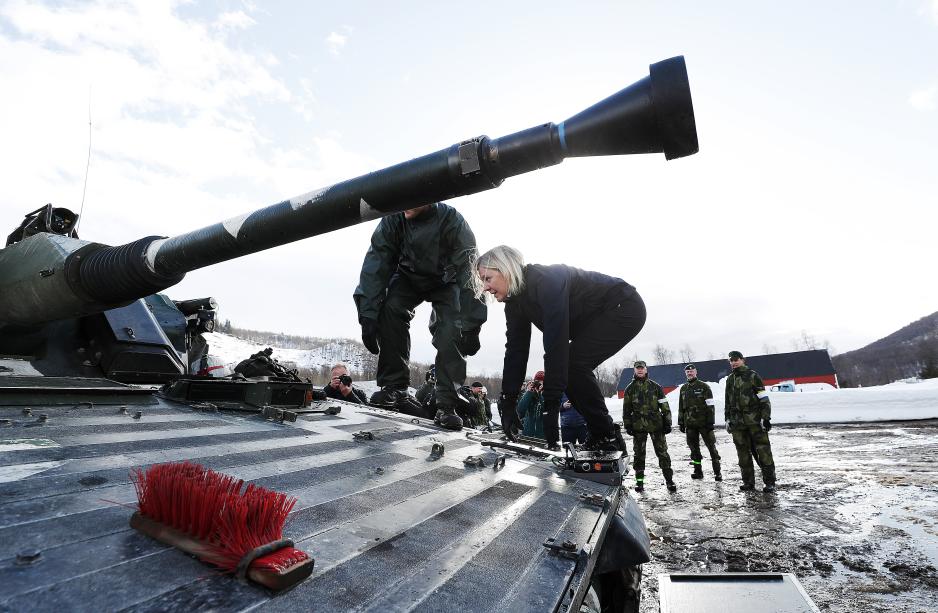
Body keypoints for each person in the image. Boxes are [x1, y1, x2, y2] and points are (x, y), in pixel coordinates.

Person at [474, 245, 642, 452]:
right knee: (570, 367)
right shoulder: (515, 302)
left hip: (623, 306)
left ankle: (605, 436)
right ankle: (603, 434)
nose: (485, 288)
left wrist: (551, 404)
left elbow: (556, 342)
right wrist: (508, 401)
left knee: (571, 365)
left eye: (487, 278)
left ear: (506, 269)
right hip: (594, 318)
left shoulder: (546, 280)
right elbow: (516, 351)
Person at [353, 203, 487, 429]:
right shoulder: (393, 220)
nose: (407, 205)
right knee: (390, 308)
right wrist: (367, 314)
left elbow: (469, 273)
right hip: (407, 276)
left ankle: (446, 404)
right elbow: (376, 263)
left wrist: (472, 325)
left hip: (448, 280)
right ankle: (395, 387)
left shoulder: (453, 222)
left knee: (450, 331)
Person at [724, 351, 776, 493]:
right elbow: (727, 401)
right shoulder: (730, 379)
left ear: (742, 360)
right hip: (737, 424)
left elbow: (763, 398)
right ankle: (748, 482)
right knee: (743, 454)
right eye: (731, 361)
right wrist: (727, 419)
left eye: (736, 360)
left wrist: (766, 418)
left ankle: (770, 482)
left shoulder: (753, 376)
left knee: (763, 451)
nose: (733, 362)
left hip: (754, 422)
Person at [622, 360, 676, 493]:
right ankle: (639, 483)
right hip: (638, 427)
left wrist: (667, 422)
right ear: (634, 370)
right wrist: (628, 425)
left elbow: (664, 406)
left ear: (646, 370)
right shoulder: (630, 388)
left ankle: (669, 481)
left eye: (642, 368)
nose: (640, 370)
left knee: (662, 453)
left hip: (656, 426)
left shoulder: (655, 387)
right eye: (637, 368)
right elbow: (626, 409)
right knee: (639, 455)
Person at [677, 363, 722, 481]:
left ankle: (717, 472)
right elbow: (681, 407)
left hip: (704, 424)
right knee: (694, 449)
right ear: (685, 374)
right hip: (690, 425)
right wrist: (681, 422)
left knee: (711, 447)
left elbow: (710, 405)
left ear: (696, 372)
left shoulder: (704, 387)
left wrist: (710, 422)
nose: (690, 373)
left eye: (691, 371)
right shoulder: (683, 388)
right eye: (687, 372)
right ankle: (698, 471)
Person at [516, 372, 546, 438]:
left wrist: (540, 395)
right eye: (537, 381)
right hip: (528, 433)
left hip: (542, 434)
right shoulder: (530, 394)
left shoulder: (549, 395)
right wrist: (528, 393)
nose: (539, 384)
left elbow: (546, 410)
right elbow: (520, 410)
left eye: (541, 382)